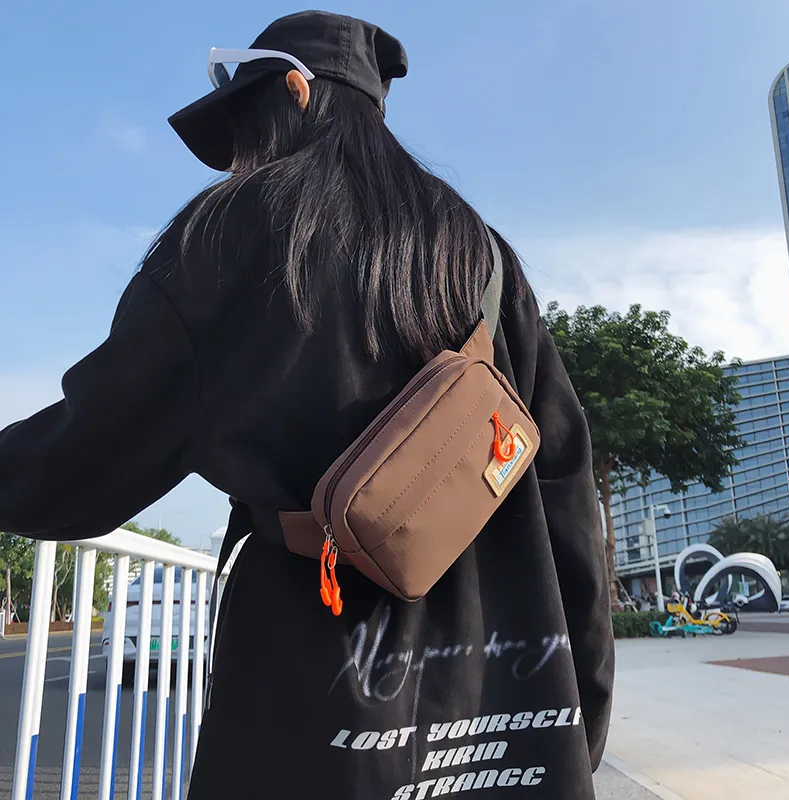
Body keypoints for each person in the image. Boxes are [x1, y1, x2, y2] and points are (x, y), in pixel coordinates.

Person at [0, 11, 613, 799]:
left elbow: (87, 456)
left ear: (295, 91)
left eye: (244, 133)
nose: (240, 163)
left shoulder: (232, 236)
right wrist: (582, 716)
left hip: (309, 725)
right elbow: (567, 498)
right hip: (513, 722)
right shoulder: (483, 257)